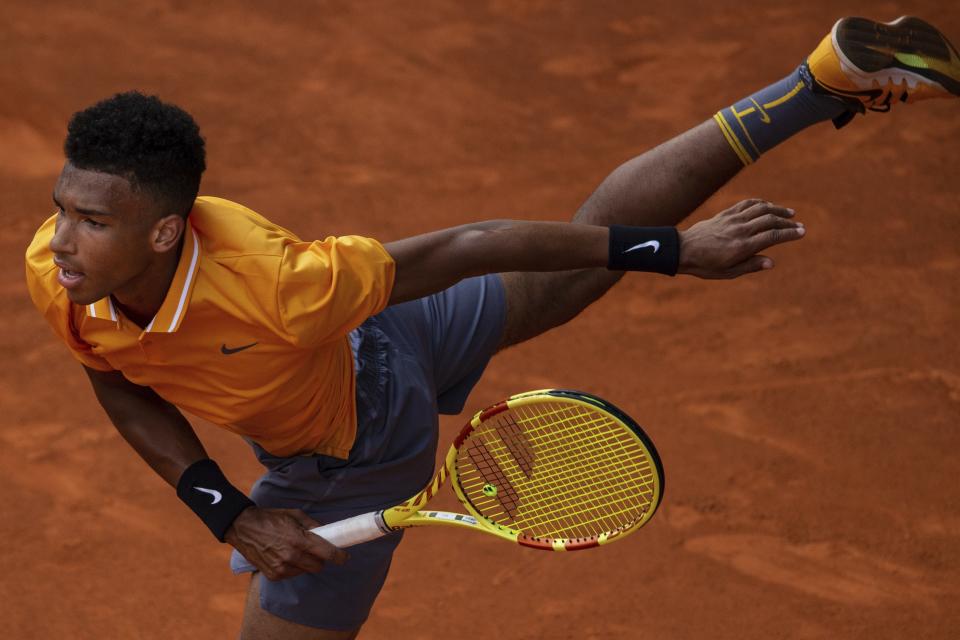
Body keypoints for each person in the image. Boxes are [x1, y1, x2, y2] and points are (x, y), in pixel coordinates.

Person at [24, 15, 959, 640]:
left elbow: (472, 242)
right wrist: (227, 510)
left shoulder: (282, 286)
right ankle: (818, 82)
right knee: (559, 289)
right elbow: (111, 371)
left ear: (161, 230)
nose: (61, 238)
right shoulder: (56, 270)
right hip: (370, 337)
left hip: (359, 437)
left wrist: (676, 252)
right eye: (63, 208)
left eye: (91, 222)